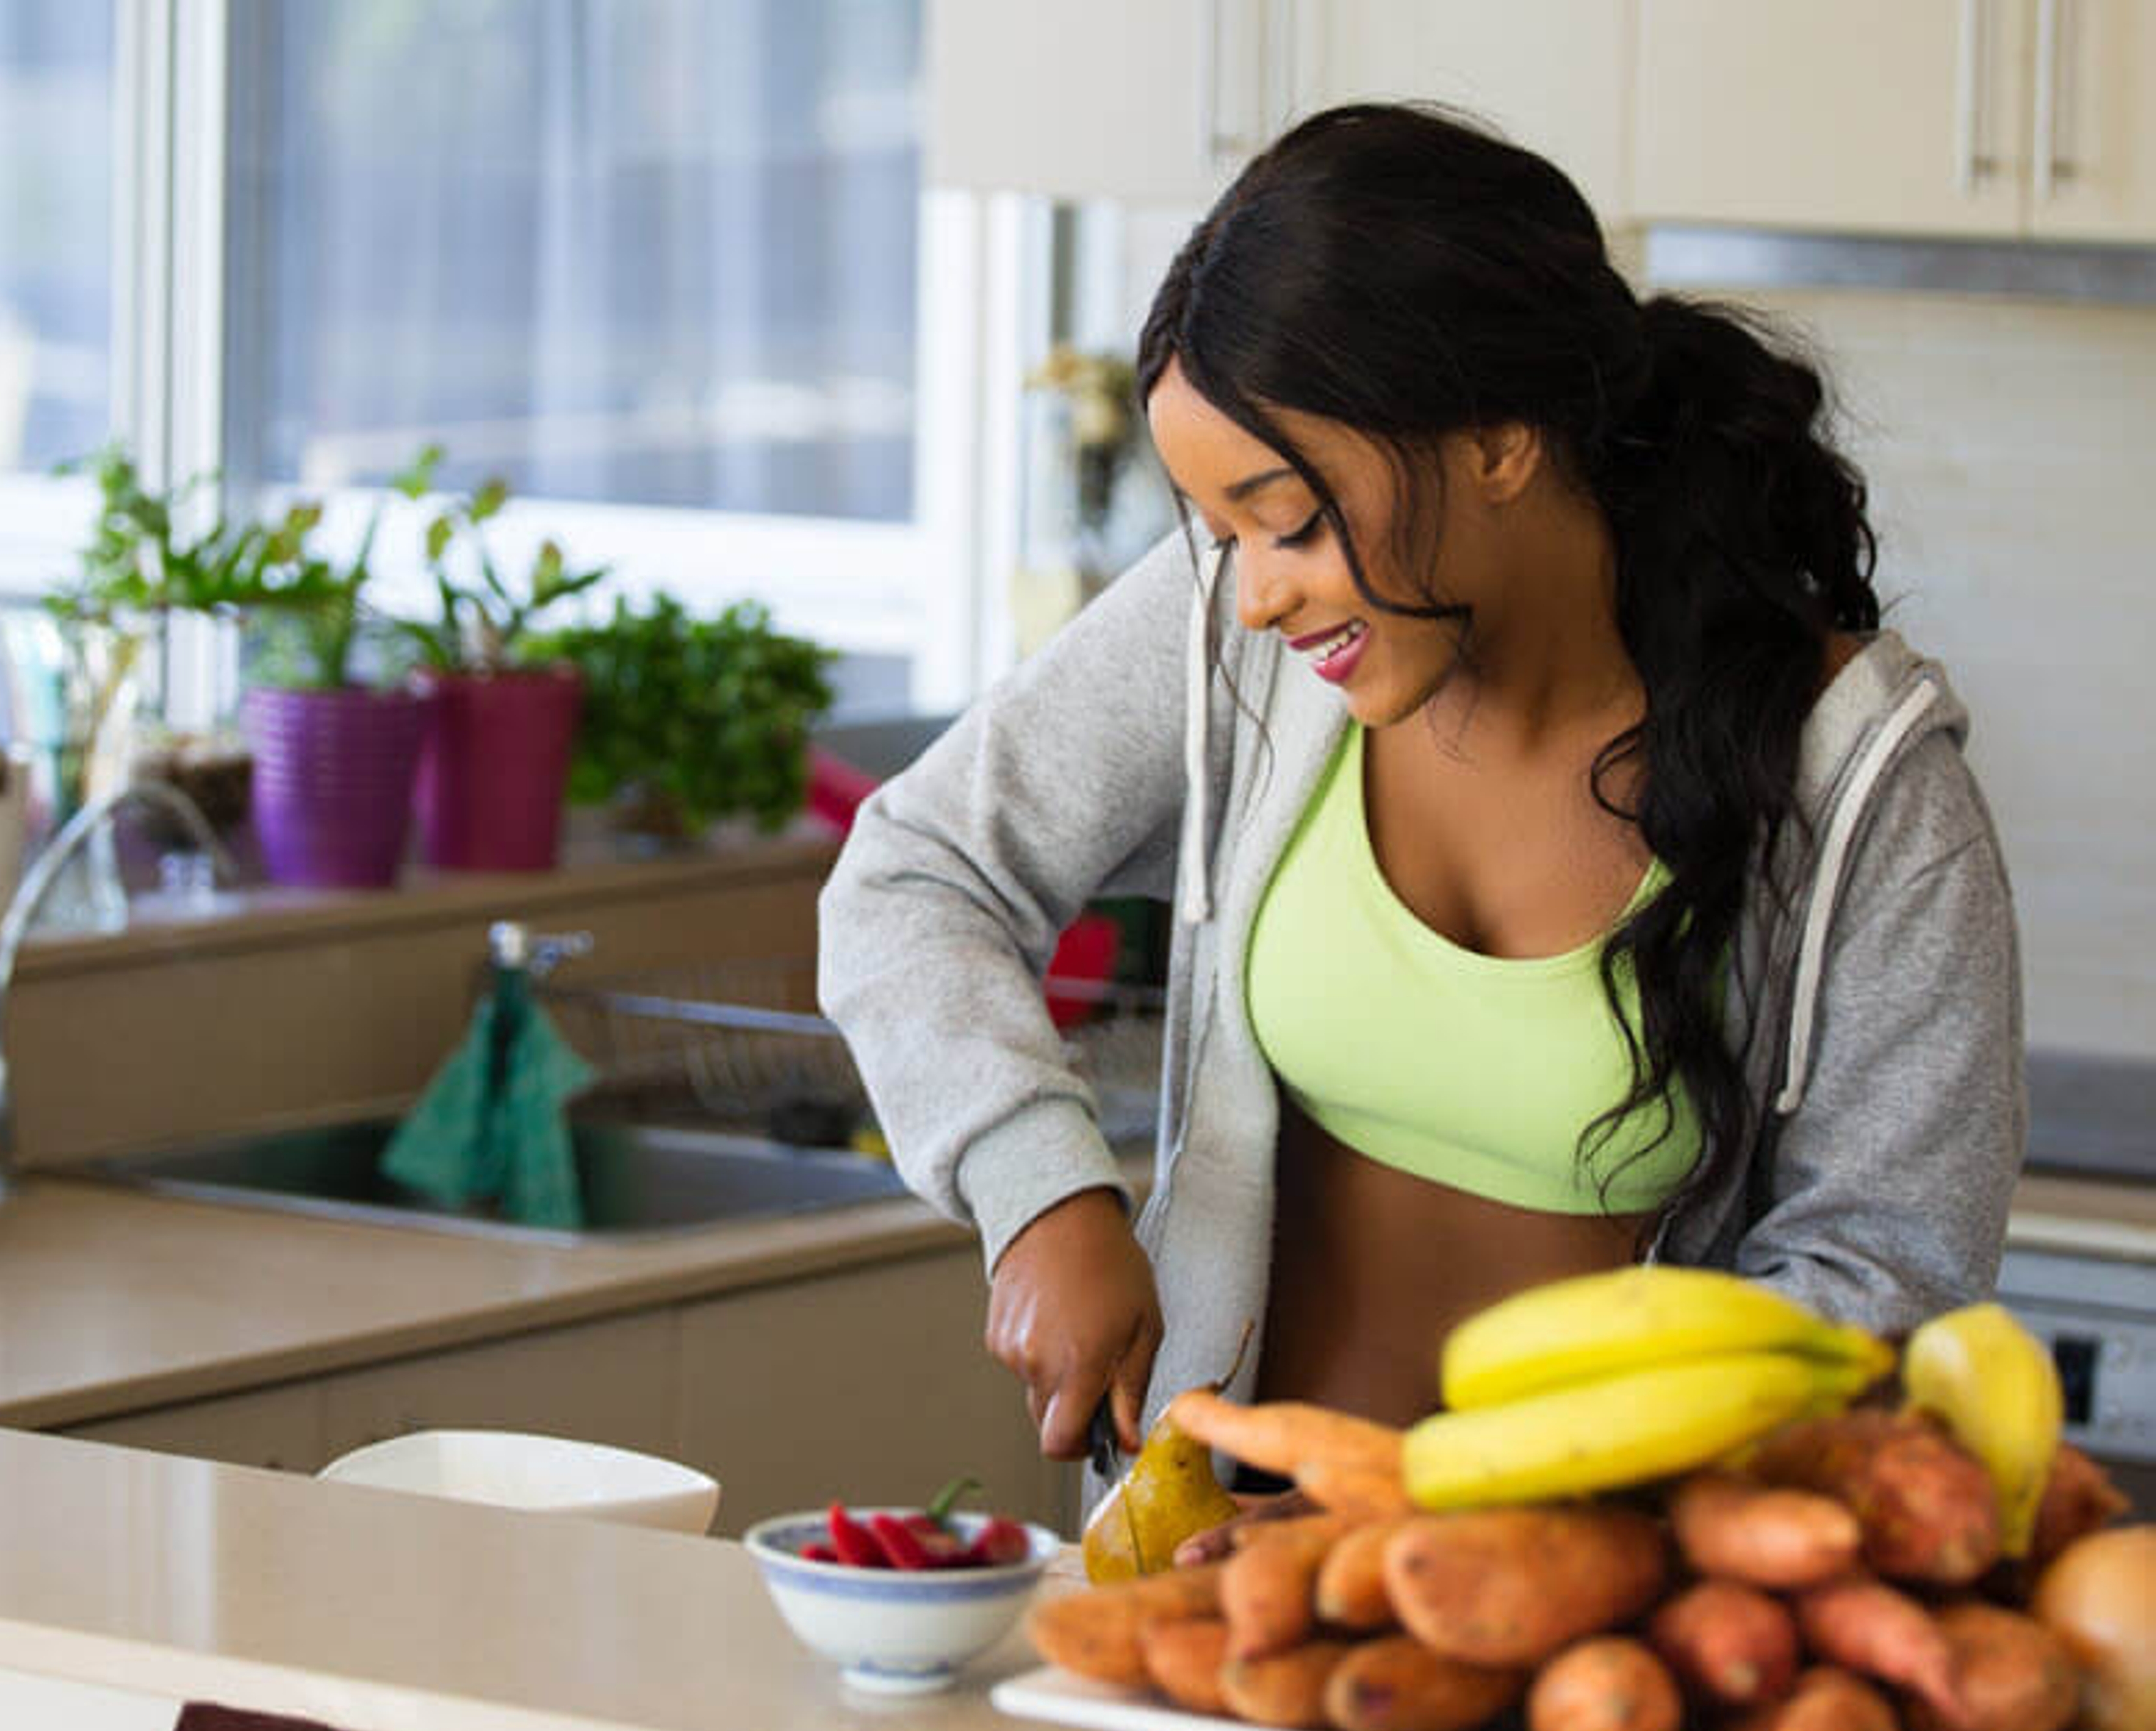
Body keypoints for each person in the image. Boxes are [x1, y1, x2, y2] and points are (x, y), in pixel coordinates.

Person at [817, 104, 2022, 1482]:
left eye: (1294, 520)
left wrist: (1473, 1525)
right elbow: (917, 873)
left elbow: (1888, 1279)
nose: (1255, 592)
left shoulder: (1862, 787)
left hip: (1589, 1626)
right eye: (1221, 535)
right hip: (1214, 1559)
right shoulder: (1241, 637)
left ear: (1501, 445)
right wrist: (1041, 1192)